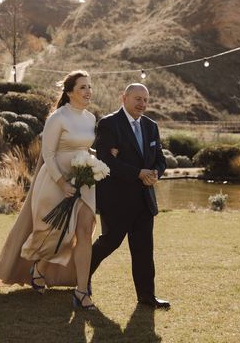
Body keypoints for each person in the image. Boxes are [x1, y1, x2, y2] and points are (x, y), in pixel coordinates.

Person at [0, 70, 97, 310]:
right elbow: (48, 155)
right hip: (55, 183)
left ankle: (82, 290)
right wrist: (63, 184)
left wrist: (95, 159)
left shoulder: (90, 118)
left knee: (84, 233)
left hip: (84, 182)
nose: (88, 91)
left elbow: (83, 146)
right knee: (53, 235)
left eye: (90, 86)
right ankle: (38, 268)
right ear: (70, 92)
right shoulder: (58, 118)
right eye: (82, 87)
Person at [89, 83, 170, 309]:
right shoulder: (108, 124)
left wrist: (155, 173)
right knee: (109, 243)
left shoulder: (151, 126)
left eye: (145, 100)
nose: (142, 104)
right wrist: (137, 173)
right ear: (123, 97)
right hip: (117, 200)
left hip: (144, 200)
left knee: (144, 250)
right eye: (137, 99)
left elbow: (160, 159)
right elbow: (107, 160)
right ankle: (80, 280)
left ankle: (147, 297)